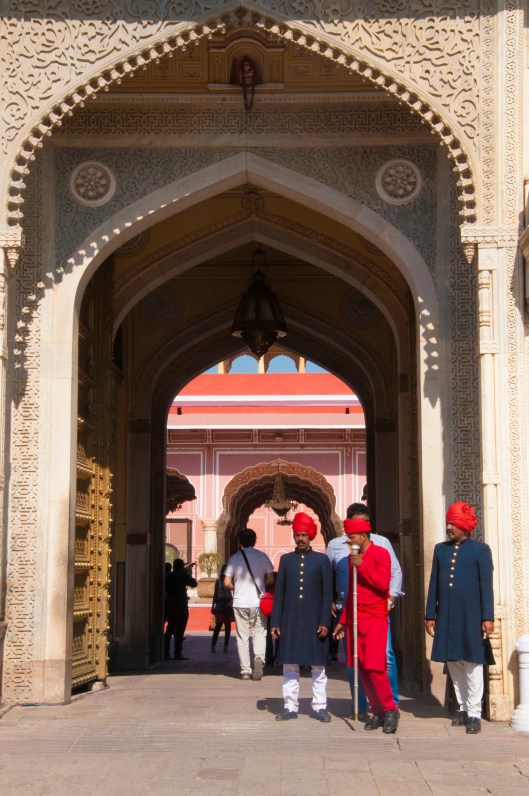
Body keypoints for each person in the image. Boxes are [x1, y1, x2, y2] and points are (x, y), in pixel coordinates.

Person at [425, 501, 494, 735]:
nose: (448, 527)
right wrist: (430, 615)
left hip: (471, 615)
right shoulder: (440, 549)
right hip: (447, 615)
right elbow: (434, 583)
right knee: (454, 662)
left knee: (473, 664)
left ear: (464, 525)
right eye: (448, 523)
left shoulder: (480, 550)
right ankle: (462, 708)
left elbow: (487, 587)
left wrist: (487, 617)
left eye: (452, 523)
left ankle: (475, 712)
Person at [332, 502, 403, 717]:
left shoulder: (381, 553)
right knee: (361, 666)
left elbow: (383, 584)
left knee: (376, 666)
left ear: (363, 535)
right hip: (355, 619)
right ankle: (378, 712)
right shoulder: (349, 560)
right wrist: (342, 621)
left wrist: (361, 564)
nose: (348, 541)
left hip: (375, 617)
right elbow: (352, 594)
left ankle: (390, 709)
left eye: (351, 537)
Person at [271, 512, 333, 722]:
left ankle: (320, 706)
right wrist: (276, 622)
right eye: (297, 534)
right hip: (290, 622)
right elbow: (279, 594)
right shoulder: (286, 560)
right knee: (289, 665)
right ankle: (290, 707)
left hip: (315, 622)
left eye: (304, 535)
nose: (300, 538)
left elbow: (327, 595)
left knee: (318, 667)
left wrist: (325, 621)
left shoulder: (322, 561)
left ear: (310, 536)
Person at [224, 528, 273, 680]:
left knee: (242, 636)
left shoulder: (234, 558)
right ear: (255, 540)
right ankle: (259, 659)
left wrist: (236, 587)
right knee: (260, 633)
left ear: (239, 541)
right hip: (258, 602)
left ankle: (245, 670)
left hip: (240, 602)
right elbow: (271, 580)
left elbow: (226, 582)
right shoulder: (263, 557)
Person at [164, 559, 197, 661]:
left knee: (169, 629)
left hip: (170, 603)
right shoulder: (183, 576)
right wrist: (186, 573)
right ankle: (177, 653)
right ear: (182, 567)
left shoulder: (168, 576)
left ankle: (165, 652)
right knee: (180, 631)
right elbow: (194, 583)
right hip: (181, 604)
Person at [210, 564, 234, 653]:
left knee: (227, 626)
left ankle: (225, 646)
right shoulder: (218, 581)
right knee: (218, 626)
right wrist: (213, 605)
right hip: (221, 605)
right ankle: (213, 645)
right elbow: (215, 594)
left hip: (227, 604)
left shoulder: (231, 580)